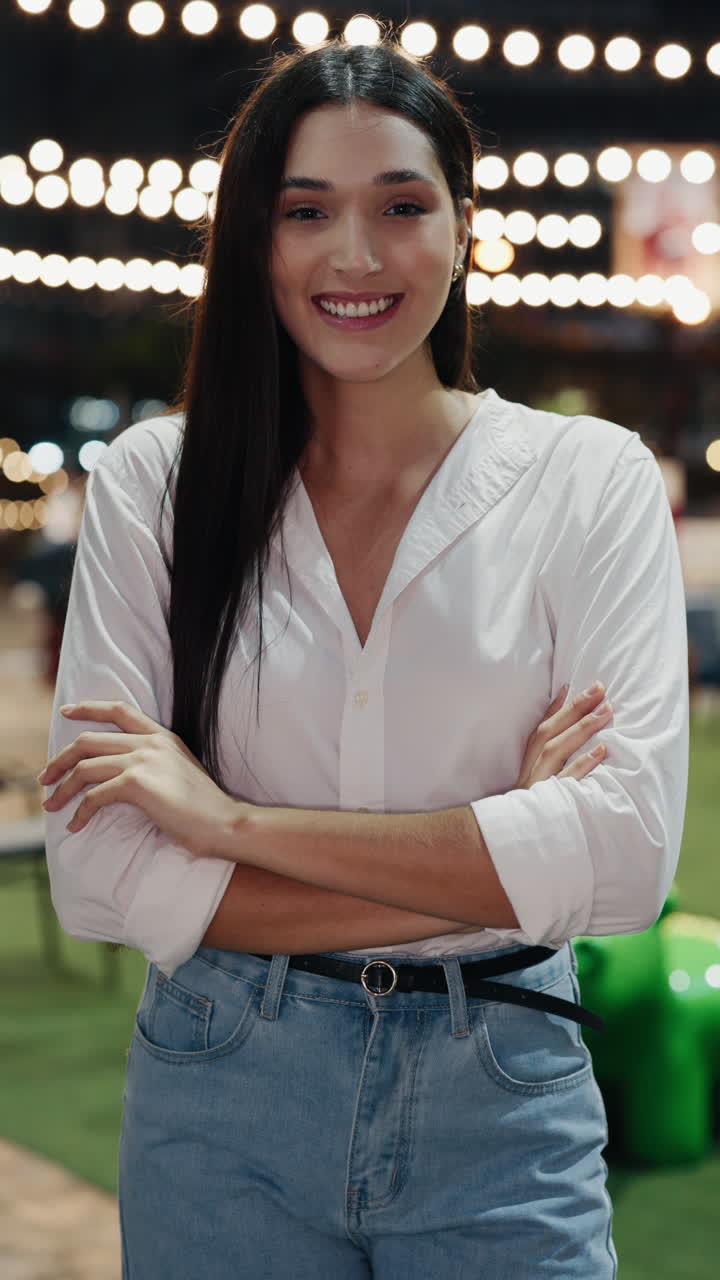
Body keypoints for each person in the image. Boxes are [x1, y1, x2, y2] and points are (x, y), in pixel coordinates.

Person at [42, 36, 688, 1278]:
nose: (356, 255)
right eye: (306, 211)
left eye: (401, 206)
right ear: (255, 240)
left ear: (462, 226)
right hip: (219, 1086)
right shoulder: (156, 484)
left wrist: (229, 824)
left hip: (501, 1087)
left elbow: (621, 862)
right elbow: (103, 872)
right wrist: (506, 849)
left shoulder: (587, 478)